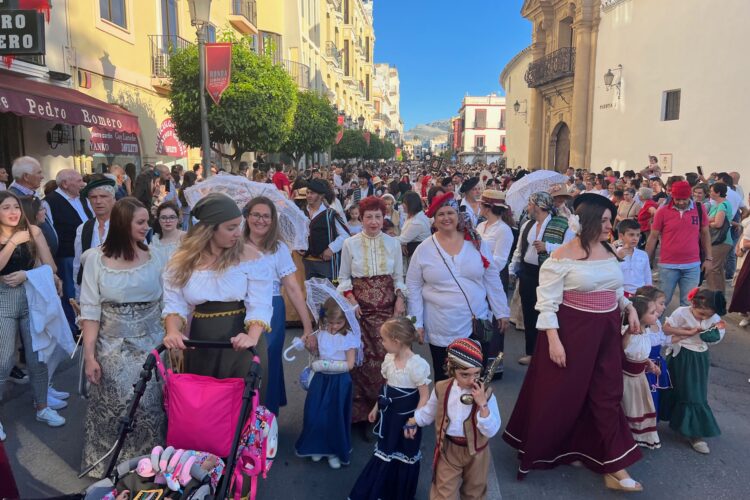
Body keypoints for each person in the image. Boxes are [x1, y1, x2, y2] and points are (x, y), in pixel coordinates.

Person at [503, 193, 644, 493]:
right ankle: (551, 448)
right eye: (605, 220)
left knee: (607, 392)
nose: (610, 226)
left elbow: (614, 288)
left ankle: (613, 462)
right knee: (560, 394)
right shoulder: (561, 257)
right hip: (572, 333)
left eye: (611, 220)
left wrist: (628, 308)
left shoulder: (608, 249)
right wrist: (553, 342)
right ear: (588, 221)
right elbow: (547, 304)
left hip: (606, 332)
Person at [79, 197, 166, 477]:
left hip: (152, 344)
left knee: (151, 406)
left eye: (146, 221)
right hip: (111, 347)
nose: (146, 226)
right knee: (115, 408)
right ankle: (110, 467)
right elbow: (90, 311)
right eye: (140, 222)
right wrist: (90, 355)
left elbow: (168, 302)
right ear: (121, 224)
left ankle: (150, 468)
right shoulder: (95, 259)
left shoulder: (156, 256)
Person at [162, 193, 273, 388]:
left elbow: (260, 303)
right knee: (203, 403)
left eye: (238, 226)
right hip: (201, 342)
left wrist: (251, 337)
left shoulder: (251, 257)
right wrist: (173, 331)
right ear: (209, 230)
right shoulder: (181, 260)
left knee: (240, 407)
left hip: (242, 341)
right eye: (231, 228)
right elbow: (174, 303)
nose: (238, 233)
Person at [406, 192, 509, 383]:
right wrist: (416, 323)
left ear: (458, 215)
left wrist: (501, 310)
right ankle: (444, 413)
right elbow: (413, 287)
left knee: (475, 379)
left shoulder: (476, 242)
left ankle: (474, 412)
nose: (446, 218)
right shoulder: (424, 249)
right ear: (434, 219)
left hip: (476, 322)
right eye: (441, 214)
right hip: (441, 325)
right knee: (445, 381)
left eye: (450, 213)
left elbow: (491, 277)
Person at [337, 196, 406, 437]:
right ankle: (362, 415)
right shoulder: (350, 244)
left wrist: (400, 299)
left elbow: (398, 277)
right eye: (369, 217)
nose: (374, 222)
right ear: (361, 217)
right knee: (360, 362)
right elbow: (344, 278)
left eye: (378, 216)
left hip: (387, 311)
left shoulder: (393, 243)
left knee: (389, 361)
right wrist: (351, 299)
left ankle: (386, 412)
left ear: (384, 217)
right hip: (360, 313)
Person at [243, 196, 313, 416]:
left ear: (273, 220)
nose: (261, 220)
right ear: (247, 217)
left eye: (266, 216)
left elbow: (292, 288)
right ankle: (242, 418)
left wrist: (308, 327)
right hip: (239, 308)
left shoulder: (279, 248)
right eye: (256, 215)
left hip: (271, 308)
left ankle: (265, 420)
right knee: (242, 363)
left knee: (267, 361)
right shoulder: (234, 243)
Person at [0, 191, 64, 430]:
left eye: (15, 207)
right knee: (4, 361)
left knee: (38, 356)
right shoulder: (17, 237)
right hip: (3, 300)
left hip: (30, 297)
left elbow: (51, 266)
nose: (13, 212)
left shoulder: (33, 231)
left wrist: (28, 274)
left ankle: (42, 407)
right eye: (5, 207)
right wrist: (14, 243)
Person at [349, 317, 431, 500]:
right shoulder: (389, 359)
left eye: (383, 340)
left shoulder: (417, 365)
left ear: (396, 341)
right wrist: (376, 408)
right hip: (390, 418)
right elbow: (386, 387)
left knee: (404, 454)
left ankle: (399, 493)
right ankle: (381, 491)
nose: (382, 343)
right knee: (386, 452)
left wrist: (414, 421)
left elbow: (424, 396)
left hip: (407, 420)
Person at [409, 338, 501, 500]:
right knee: (443, 494)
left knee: (474, 493)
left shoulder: (486, 394)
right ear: (451, 369)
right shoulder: (442, 387)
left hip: (477, 451)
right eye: (464, 375)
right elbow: (430, 412)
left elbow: (491, 429)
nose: (472, 380)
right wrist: (414, 421)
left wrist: (482, 405)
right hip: (449, 448)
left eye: (476, 374)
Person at [510, 192, 575, 365]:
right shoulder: (528, 224)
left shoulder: (562, 225)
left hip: (549, 274)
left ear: (538, 206)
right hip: (528, 273)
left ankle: (549, 351)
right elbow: (519, 248)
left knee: (548, 313)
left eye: (530, 204)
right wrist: (512, 268)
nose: (528, 207)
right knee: (530, 314)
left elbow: (570, 249)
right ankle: (531, 352)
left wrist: (548, 246)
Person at [295, 297, 359, 469]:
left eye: (338, 322)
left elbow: (350, 365)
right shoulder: (321, 333)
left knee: (334, 416)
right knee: (314, 414)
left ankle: (333, 451)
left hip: (339, 382)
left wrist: (325, 365)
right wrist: (307, 345)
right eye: (330, 322)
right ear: (324, 319)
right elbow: (316, 353)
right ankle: (317, 447)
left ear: (345, 320)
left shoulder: (349, 338)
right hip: (320, 380)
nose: (334, 326)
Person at [660, 288, 726, 454]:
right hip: (678, 354)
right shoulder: (681, 312)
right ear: (692, 304)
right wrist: (686, 332)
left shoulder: (715, 319)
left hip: (698, 359)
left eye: (707, 315)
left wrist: (710, 334)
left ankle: (695, 434)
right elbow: (666, 329)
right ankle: (660, 422)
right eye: (700, 313)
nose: (703, 318)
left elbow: (717, 335)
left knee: (694, 393)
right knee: (671, 387)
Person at [645, 180, 712, 309]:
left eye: (684, 199)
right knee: (662, 302)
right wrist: (645, 260)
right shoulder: (662, 211)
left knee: (689, 304)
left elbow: (705, 234)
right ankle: (654, 328)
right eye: (677, 199)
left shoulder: (699, 208)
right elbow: (653, 237)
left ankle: (684, 329)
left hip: (692, 265)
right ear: (672, 197)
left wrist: (709, 258)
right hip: (668, 265)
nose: (681, 202)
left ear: (690, 196)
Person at [621, 295, 662, 449]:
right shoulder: (628, 332)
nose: (656, 314)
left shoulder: (646, 332)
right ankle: (625, 436)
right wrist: (629, 333)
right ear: (639, 315)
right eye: (652, 312)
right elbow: (623, 350)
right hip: (627, 379)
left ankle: (639, 436)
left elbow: (641, 353)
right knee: (629, 406)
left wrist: (650, 364)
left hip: (640, 378)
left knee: (640, 406)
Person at [7, 157, 58, 255]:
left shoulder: (30, 194)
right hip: (32, 260)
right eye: (38, 173)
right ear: (26, 176)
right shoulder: (14, 199)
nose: (42, 177)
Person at [301, 179, 350, 280]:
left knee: (327, 294)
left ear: (321, 196)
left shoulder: (330, 214)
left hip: (324, 263)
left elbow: (345, 235)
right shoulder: (301, 212)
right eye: (307, 192)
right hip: (305, 262)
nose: (308, 195)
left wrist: (331, 249)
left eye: (312, 193)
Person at [635, 285, 672, 413]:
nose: (664, 307)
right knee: (646, 397)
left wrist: (686, 334)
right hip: (645, 367)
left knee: (655, 397)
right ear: (648, 303)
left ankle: (652, 426)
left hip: (656, 364)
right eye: (661, 303)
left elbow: (663, 341)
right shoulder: (643, 327)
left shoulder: (656, 322)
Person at [74, 177, 117, 287]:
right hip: (91, 288)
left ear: (113, 199)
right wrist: (79, 294)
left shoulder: (126, 225)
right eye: (93, 197)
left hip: (120, 288)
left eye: (103, 196)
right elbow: (78, 264)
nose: (98, 201)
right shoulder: (83, 228)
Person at [476, 190, 515, 293]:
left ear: (488, 208)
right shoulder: (481, 226)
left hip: (494, 278)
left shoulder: (504, 229)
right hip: (478, 276)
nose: (479, 206)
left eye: (481, 204)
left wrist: (479, 267)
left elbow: (500, 260)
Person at [706, 182, 733, 292]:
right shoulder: (721, 205)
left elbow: (718, 223)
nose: (710, 193)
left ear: (718, 193)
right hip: (723, 241)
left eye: (711, 191)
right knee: (718, 269)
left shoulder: (722, 205)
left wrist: (708, 223)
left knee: (712, 269)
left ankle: (714, 295)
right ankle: (719, 295)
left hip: (720, 240)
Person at [616, 219, 652, 296]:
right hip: (621, 294)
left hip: (641, 294)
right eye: (631, 235)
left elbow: (647, 276)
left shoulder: (643, 254)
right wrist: (617, 258)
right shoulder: (614, 254)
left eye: (638, 235)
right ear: (621, 236)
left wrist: (649, 293)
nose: (635, 238)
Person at [398, 191, 432, 263]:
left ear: (411, 204)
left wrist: (386, 238)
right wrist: (403, 244)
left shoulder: (417, 222)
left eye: (403, 203)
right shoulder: (413, 215)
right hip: (415, 252)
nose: (402, 205)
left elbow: (402, 239)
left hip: (420, 255)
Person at [149, 201, 185, 266]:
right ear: (158, 219)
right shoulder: (155, 239)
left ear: (177, 219)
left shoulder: (184, 237)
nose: (168, 221)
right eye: (163, 217)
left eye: (172, 217)